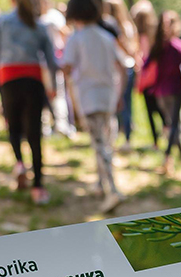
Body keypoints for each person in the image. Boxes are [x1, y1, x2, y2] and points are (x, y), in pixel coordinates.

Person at [0, 0, 60, 204]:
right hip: (33, 80)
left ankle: (19, 164)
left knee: (13, 126)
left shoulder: (2, 22)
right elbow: (51, 59)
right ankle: (38, 187)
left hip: (8, 79)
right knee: (34, 133)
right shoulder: (39, 25)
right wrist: (54, 86)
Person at [62, 0, 127, 213]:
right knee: (103, 141)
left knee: (100, 145)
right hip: (108, 97)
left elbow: (66, 68)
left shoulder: (76, 39)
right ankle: (101, 184)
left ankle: (113, 190)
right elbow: (123, 68)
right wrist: (120, 95)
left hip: (89, 98)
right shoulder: (107, 37)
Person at [145, 10, 181, 174]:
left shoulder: (158, 46)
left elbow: (145, 65)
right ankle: (168, 157)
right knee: (174, 125)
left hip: (160, 92)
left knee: (171, 124)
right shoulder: (179, 47)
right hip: (175, 91)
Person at [103, 0, 138, 150]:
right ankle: (123, 138)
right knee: (125, 104)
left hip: (120, 67)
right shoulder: (127, 26)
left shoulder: (113, 28)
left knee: (120, 104)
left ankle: (119, 138)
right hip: (126, 66)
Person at [130, 1, 164, 149]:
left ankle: (157, 139)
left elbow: (142, 57)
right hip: (156, 76)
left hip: (147, 76)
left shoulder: (141, 37)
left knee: (151, 109)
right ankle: (165, 132)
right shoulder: (155, 35)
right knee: (157, 107)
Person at [40, 0, 74, 137]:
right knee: (42, 93)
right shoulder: (37, 17)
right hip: (40, 61)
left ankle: (61, 125)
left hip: (54, 59)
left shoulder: (54, 16)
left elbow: (66, 33)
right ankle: (44, 126)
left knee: (58, 93)